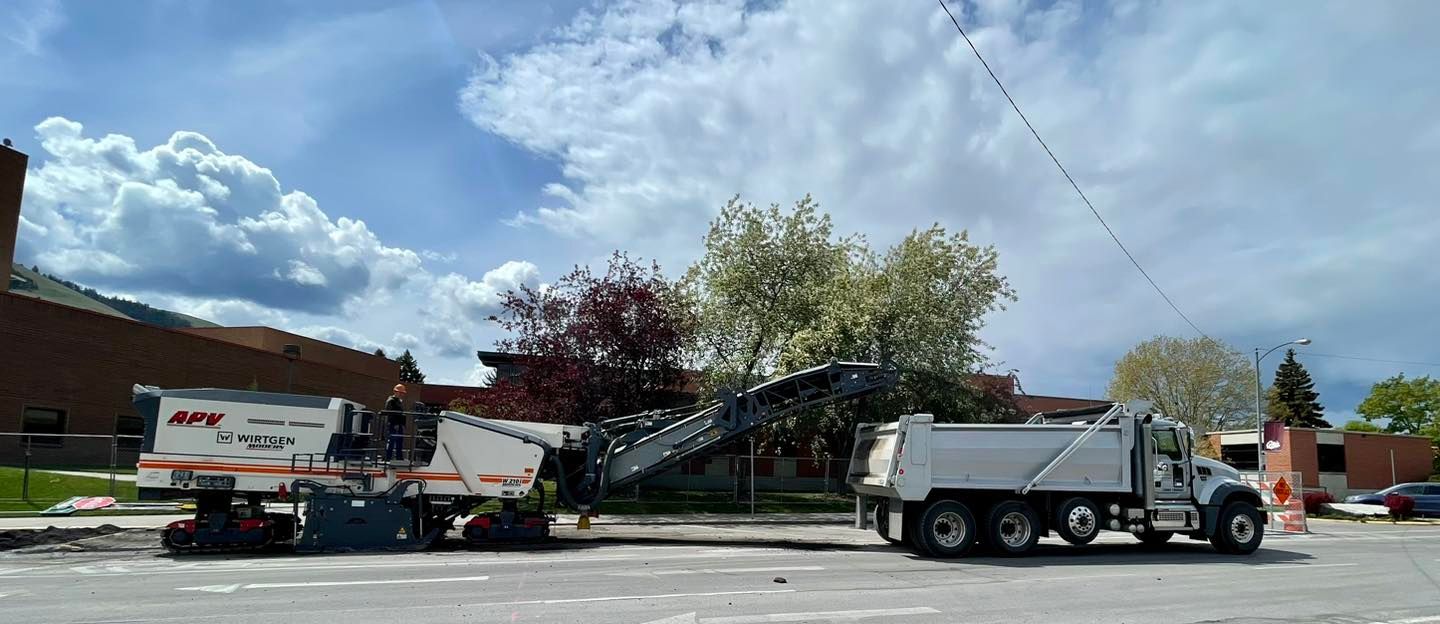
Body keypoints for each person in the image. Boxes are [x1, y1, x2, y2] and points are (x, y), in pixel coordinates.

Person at [383, 384, 407, 461]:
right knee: (391, 441)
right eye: (400, 393)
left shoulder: (398, 401)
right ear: (395, 392)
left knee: (399, 441)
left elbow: (400, 413)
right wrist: (395, 423)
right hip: (393, 424)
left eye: (402, 393)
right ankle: (387, 458)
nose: (401, 394)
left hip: (399, 425)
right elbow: (389, 413)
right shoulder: (391, 401)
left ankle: (399, 457)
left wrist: (402, 424)